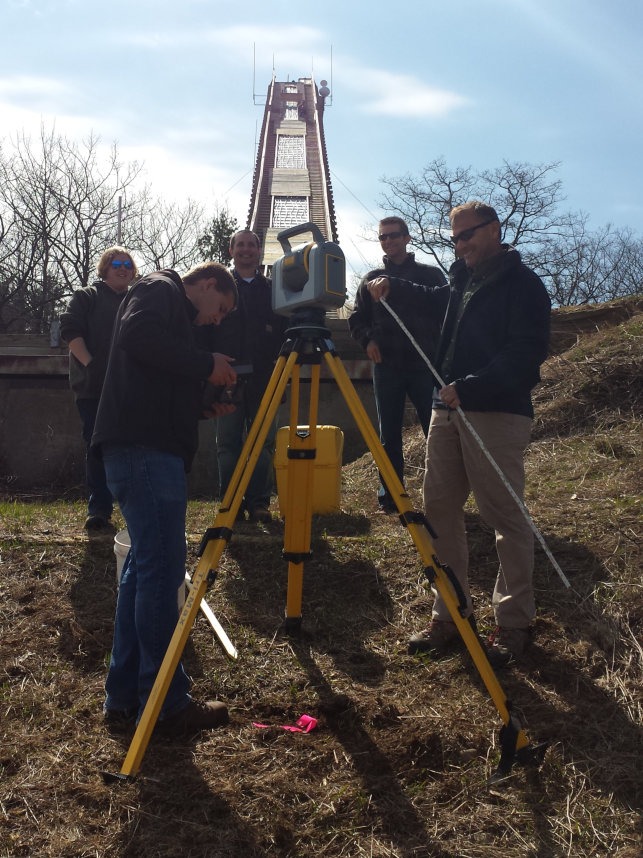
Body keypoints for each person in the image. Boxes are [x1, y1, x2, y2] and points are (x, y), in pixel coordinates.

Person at [367, 202, 551, 667]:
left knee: (503, 515)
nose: (460, 244)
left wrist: (470, 387)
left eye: (467, 235)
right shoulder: (460, 280)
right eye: (454, 238)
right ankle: (448, 613)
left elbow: (525, 354)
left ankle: (513, 623)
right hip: (444, 409)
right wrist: (395, 286)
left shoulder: (524, 286)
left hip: (495, 410)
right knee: (439, 511)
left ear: (494, 231)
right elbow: (432, 299)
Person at [92, 262, 239, 734]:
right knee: (160, 572)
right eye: (222, 309)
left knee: (143, 571)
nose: (217, 321)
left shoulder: (164, 303)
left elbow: (150, 373)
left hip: (143, 446)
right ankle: (166, 703)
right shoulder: (159, 289)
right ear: (210, 284)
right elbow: (139, 338)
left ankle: (126, 696)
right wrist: (205, 363)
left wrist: (199, 406)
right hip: (144, 450)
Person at [348, 217, 446, 513]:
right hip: (387, 364)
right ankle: (390, 493)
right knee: (388, 432)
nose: (388, 241)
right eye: (383, 237)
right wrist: (368, 341)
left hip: (423, 363)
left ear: (407, 238)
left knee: (435, 429)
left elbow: (445, 309)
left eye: (393, 236)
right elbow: (356, 318)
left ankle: (442, 490)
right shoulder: (370, 279)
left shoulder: (430, 275)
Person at [209, 229, 287, 523]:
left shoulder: (275, 289)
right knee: (228, 441)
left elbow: (284, 331)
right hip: (226, 375)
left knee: (263, 442)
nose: (245, 250)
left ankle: (259, 503)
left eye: (251, 245)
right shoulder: (218, 286)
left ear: (259, 250)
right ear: (231, 250)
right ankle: (230, 502)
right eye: (239, 245)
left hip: (266, 377)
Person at [60, 246, 138, 530]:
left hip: (129, 389)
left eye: (128, 265)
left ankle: (133, 511)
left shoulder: (136, 299)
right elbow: (70, 330)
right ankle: (99, 511)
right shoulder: (86, 296)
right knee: (97, 448)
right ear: (105, 267)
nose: (122, 268)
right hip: (93, 389)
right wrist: (91, 365)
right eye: (116, 263)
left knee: (131, 447)